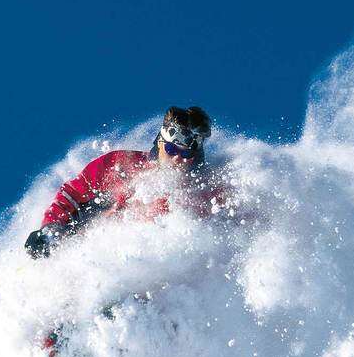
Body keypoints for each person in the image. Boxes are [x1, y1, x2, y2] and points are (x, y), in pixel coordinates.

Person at [24, 106, 219, 259]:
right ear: (159, 143)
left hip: (146, 277)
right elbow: (73, 193)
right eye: (171, 149)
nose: (178, 158)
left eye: (186, 153)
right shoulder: (121, 164)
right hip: (89, 254)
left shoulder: (206, 193)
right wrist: (51, 227)